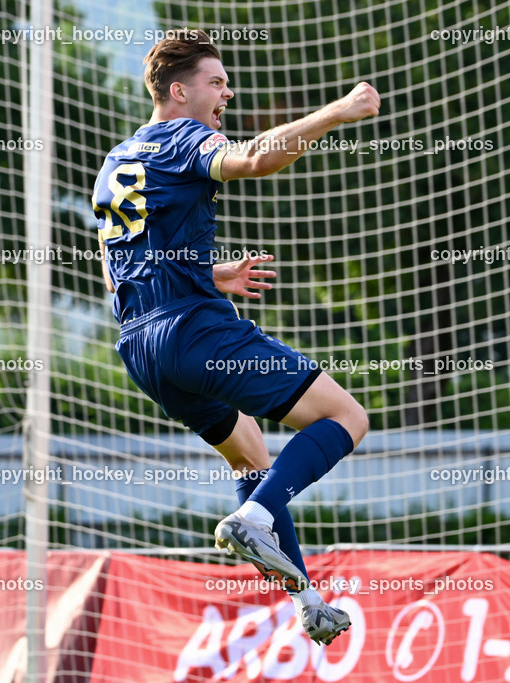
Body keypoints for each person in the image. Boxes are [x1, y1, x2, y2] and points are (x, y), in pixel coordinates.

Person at [91, 28, 378, 645]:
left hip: (143, 347)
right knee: (346, 417)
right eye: (215, 82)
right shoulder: (187, 136)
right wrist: (338, 111)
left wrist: (211, 273)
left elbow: (124, 261)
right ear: (178, 90)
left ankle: (308, 601)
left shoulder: (117, 160)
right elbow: (253, 159)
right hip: (195, 330)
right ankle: (252, 516)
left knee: (252, 457)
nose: (226, 91)